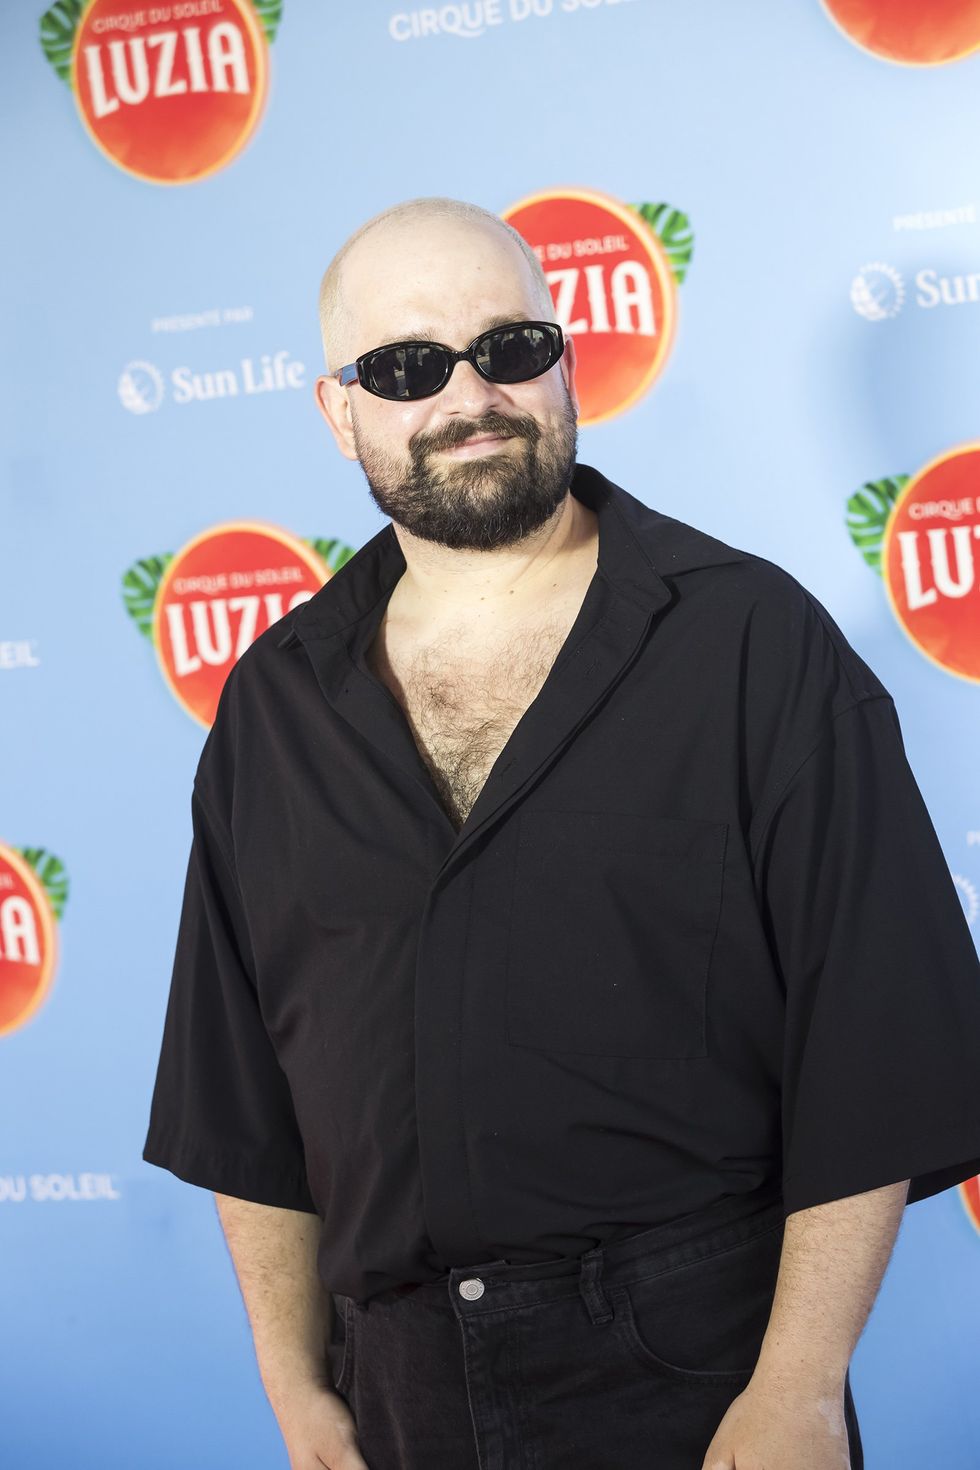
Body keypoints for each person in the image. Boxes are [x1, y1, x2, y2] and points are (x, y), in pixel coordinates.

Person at [142, 196, 980, 1470]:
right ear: (340, 411)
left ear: (564, 360)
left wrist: (800, 1384)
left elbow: (874, 1042)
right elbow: (243, 1096)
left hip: (701, 1372)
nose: (471, 393)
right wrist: (292, 1383)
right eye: (408, 366)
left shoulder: (748, 640)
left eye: (510, 347)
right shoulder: (270, 707)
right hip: (393, 1395)